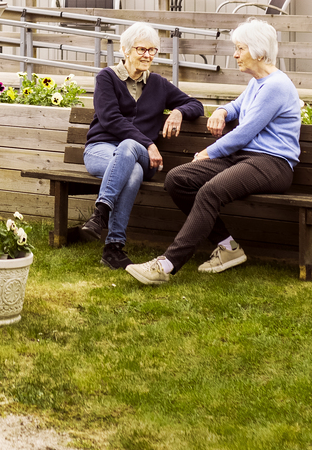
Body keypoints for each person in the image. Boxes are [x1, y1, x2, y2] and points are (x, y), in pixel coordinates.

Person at [127, 18, 298, 286]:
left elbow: (246, 132)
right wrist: (221, 110)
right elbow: (237, 107)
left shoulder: (277, 85)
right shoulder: (258, 82)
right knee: (178, 179)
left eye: (240, 49)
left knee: (211, 191)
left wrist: (209, 152)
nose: (235, 55)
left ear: (258, 51)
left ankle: (166, 265)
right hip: (243, 158)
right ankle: (228, 247)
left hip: (272, 163)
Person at [80, 21, 205, 270]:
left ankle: (100, 214)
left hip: (141, 153)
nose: (148, 55)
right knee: (133, 171)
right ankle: (114, 247)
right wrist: (148, 142)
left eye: (152, 50)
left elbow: (196, 105)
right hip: (101, 150)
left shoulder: (158, 84)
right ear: (125, 50)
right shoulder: (107, 78)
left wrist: (179, 111)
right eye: (141, 49)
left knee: (129, 148)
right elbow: (110, 119)